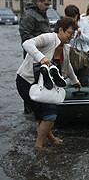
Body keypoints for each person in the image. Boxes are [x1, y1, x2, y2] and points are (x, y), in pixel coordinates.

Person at [16, 17, 82, 153]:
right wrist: (41, 58)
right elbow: (27, 44)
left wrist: (75, 81)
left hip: (46, 85)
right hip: (27, 82)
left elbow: (67, 65)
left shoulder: (66, 48)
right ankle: (39, 146)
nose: (71, 36)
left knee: (45, 115)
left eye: (73, 34)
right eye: (70, 33)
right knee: (48, 116)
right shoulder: (49, 38)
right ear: (60, 30)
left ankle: (50, 138)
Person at [19, 0, 52, 113]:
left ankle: (40, 109)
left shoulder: (42, 14)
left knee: (41, 82)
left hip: (43, 54)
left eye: (49, 4)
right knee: (30, 82)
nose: (48, 7)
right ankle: (30, 110)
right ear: (38, 2)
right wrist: (42, 41)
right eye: (46, 4)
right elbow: (25, 37)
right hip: (32, 54)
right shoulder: (29, 15)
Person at [65, 4, 89, 86]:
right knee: (72, 78)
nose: (72, 19)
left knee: (84, 78)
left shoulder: (84, 23)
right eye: (70, 16)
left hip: (83, 53)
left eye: (74, 16)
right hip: (70, 53)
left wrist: (81, 34)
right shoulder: (64, 24)